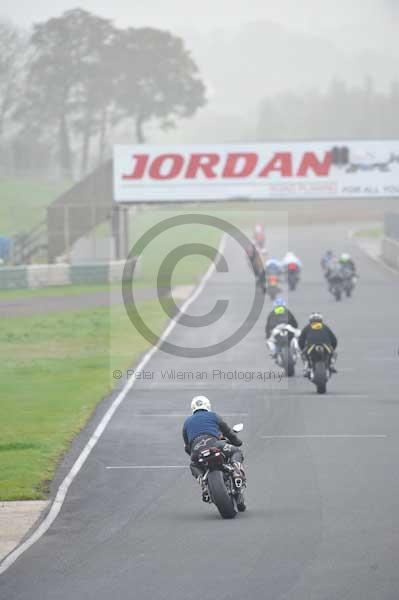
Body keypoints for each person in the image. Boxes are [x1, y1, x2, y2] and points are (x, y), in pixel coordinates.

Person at [183, 396, 245, 503]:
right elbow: (228, 432)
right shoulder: (213, 416)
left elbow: (187, 446)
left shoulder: (187, 422)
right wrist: (238, 442)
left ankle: (204, 484)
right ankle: (236, 472)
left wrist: (194, 454)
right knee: (236, 451)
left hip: (197, 450)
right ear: (208, 405)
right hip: (215, 444)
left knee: (193, 465)